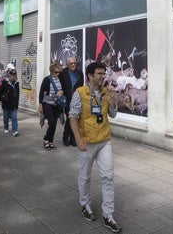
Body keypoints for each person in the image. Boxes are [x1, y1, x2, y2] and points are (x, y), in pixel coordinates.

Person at [69, 62, 121, 233]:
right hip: (87, 141)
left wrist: (113, 98)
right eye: (99, 73)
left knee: (108, 176)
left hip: (104, 140)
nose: (102, 76)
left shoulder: (106, 92)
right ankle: (85, 205)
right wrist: (78, 139)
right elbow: (73, 116)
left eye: (103, 73)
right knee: (85, 176)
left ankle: (108, 215)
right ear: (90, 76)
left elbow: (112, 114)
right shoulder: (80, 93)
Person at [59, 57, 84, 146]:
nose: (73, 65)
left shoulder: (79, 73)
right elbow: (58, 84)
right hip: (67, 99)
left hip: (76, 99)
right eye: (71, 63)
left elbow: (81, 86)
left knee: (75, 119)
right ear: (67, 64)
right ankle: (66, 137)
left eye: (74, 63)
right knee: (70, 118)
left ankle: (73, 139)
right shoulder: (63, 73)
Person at [38, 63, 64, 150]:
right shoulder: (47, 79)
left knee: (55, 123)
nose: (58, 74)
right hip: (48, 103)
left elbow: (64, 88)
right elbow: (42, 92)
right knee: (51, 121)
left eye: (59, 72)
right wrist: (40, 104)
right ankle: (46, 140)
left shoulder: (60, 79)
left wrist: (62, 92)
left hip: (57, 104)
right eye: (56, 72)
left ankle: (51, 140)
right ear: (52, 71)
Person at [0, 69, 19, 136]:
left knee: (14, 118)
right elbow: (0, 92)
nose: (13, 77)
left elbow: (17, 94)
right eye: (12, 75)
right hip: (6, 103)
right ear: (9, 75)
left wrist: (17, 103)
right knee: (6, 118)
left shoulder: (17, 83)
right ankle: (6, 128)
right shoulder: (5, 82)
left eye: (14, 75)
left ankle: (15, 131)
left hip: (13, 104)